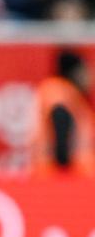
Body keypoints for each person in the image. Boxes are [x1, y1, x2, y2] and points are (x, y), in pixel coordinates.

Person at [30, 49, 94, 178]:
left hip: (57, 175)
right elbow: (61, 125)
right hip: (64, 176)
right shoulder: (60, 93)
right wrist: (64, 168)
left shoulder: (65, 93)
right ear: (75, 72)